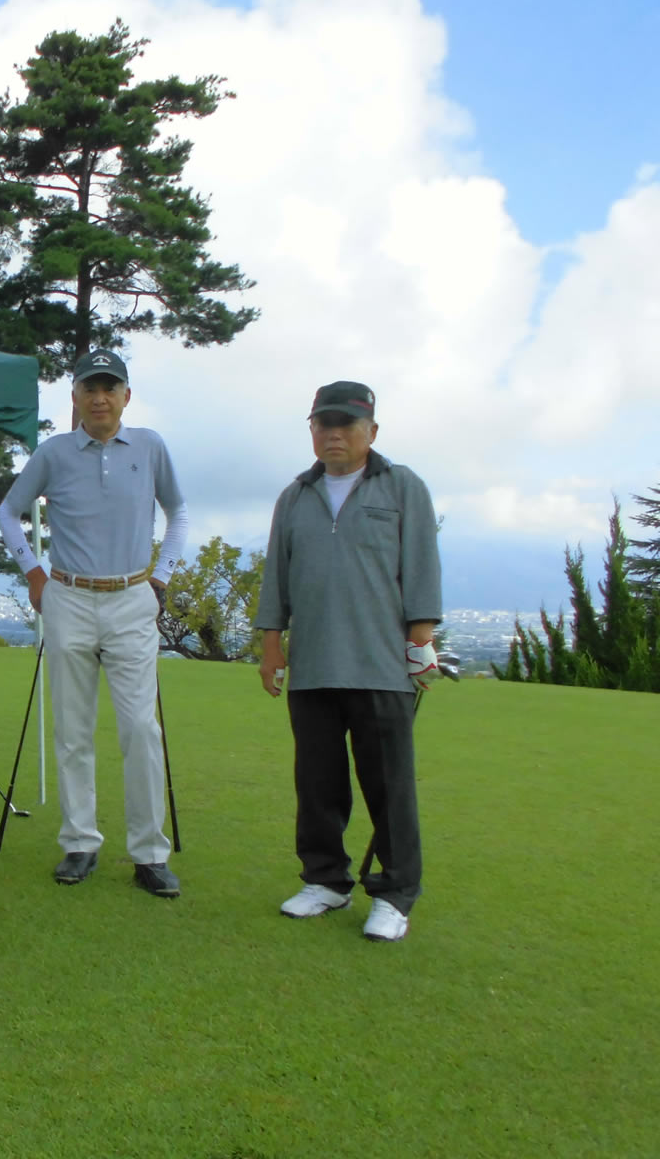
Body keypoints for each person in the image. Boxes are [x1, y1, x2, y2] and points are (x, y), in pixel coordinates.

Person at [0, 349, 190, 896]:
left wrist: (162, 577)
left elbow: (177, 510)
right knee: (72, 729)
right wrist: (33, 571)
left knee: (141, 729)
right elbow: (8, 511)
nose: (99, 398)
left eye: (110, 388)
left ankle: (150, 853)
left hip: (132, 597)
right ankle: (79, 842)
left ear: (126, 395)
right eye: (89, 388)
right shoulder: (54, 452)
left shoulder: (150, 446)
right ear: (75, 397)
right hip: (69, 597)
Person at [254, 380, 442, 942]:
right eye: (324, 424)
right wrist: (271, 646)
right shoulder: (296, 495)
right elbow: (277, 576)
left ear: (372, 431)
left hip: (382, 666)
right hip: (312, 667)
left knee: (389, 788)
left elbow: (422, 567)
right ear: (312, 430)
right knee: (317, 785)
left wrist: (420, 642)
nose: (334, 434)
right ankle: (325, 881)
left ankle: (395, 894)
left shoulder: (402, 486)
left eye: (347, 424)